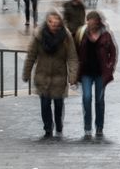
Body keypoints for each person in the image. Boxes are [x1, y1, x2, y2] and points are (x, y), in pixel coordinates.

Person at [23, 10, 78, 138]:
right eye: (51, 23)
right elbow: (31, 55)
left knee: (59, 104)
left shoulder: (66, 36)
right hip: (43, 76)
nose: (54, 26)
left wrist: (72, 75)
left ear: (60, 24)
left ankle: (59, 124)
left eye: (56, 24)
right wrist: (26, 72)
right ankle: (48, 128)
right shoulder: (39, 36)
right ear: (47, 22)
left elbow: (72, 57)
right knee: (45, 104)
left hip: (59, 76)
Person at [75, 10, 117, 139]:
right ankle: (87, 127)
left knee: (99, 100)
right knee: (87, 98)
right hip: (86, 72)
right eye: (88, 20)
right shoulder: (81, 33)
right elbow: (75, 49)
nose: (90, 23)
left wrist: (109, 67)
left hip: (100, 72)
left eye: (92, 21)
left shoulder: (106, 34)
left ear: (98, 22)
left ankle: (99, 126)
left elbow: (113, 52)